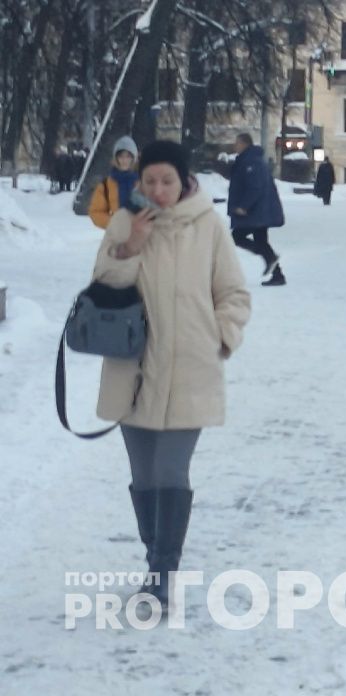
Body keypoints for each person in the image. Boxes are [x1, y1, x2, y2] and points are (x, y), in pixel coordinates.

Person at [92, 139, 251, 610]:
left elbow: (234, 293)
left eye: (168, 180)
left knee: (169, 470)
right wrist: (131, 247)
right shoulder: (125, 222)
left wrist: (219, 337)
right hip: (133, 370)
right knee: (143, 477)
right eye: (150, 180)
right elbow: (101, 285)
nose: (159, 190)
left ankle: (163, 572)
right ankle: (154, 560)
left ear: (184, 182)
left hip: (190, 370)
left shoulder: (208, 225)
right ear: (139, 181)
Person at [227, 133, 287, 286]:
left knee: (237, 236)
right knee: (261, 241)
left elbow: (255, 187)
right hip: (260, 209)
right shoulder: (250, 159)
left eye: (237, 143)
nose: (235, 146)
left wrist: (244, 206)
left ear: (245, 144)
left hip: (255, 210)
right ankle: (277, 274)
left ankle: (271, 260)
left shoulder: (251, 161)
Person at [88, 136, 140, 229]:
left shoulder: (144, 182)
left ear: (134, 158)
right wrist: (114, 222)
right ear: (115, 158)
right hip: (118, 234)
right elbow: (95, 212)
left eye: (128, 156)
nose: (124, 160)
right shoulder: (106, 185)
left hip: (142, 233)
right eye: (121, 156)